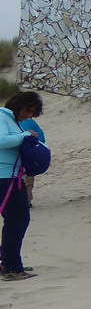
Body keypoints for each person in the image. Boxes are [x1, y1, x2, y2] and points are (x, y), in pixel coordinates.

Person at [0, 91, 45, 280]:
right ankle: (10, 267)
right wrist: (25, 135)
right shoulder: (2, 116)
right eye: (29, 111)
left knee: (19, 220)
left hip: (13, 176)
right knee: (17, 221)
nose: (29, 116)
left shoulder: (12, 120)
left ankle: (10, 262)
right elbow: (1, 140)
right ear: (20, 107)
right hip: (5, 177)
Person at [16, 100, 45, 204]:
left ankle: (26, 200)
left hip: (16, 155)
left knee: (21, 178)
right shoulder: (30, 122)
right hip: (29, 154)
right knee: (28, 177)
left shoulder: (10, 122)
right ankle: (27, 199)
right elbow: (41, 137)